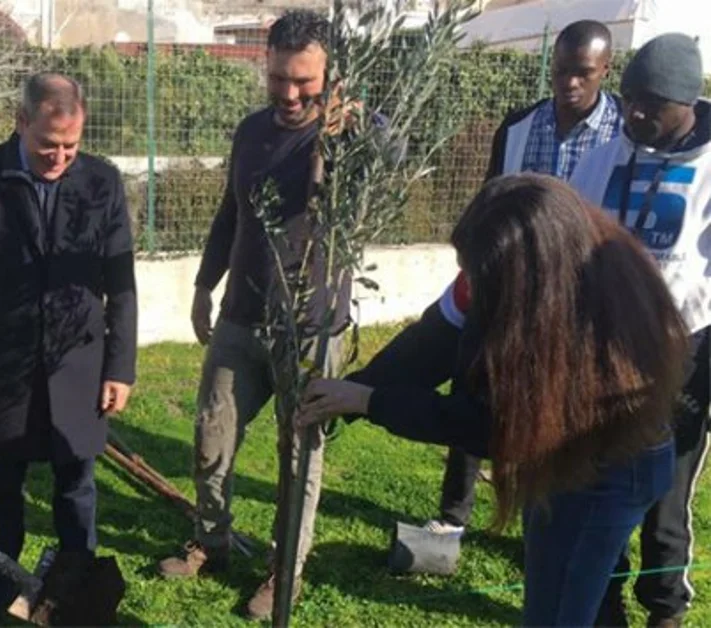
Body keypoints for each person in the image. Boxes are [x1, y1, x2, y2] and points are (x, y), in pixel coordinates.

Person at [298, 173, 688, 626]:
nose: (468, 281)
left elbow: (490, 427)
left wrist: (371, 402)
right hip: (562, 460)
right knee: (559, 597)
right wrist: (352, 391)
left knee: (563, 611)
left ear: (528, 278)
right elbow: (433, 341)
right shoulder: (492, 272)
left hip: (614, 467)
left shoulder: (586, 323)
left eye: (476, 272)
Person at [155, 9, 383, 620]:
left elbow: (396, 152)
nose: (288, 93)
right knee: (211, 435)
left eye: (304, 82)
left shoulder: (351, 133)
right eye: (278, 77)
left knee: (299, 453)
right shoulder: (251, 131)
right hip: (242, 313)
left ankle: (286, 569)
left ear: (331, 76)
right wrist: (206, 285)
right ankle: (212, 540)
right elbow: (232, 213)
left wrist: (356, 134)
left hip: (309, 327)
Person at [0, 71, 138, 626]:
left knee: (77, 482)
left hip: (80, 358)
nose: (59, 157)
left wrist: (119, 366)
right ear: (21, 122)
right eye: (48, 144)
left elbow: (121, 282)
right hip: (4, 359)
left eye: (71, 145)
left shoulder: (101, 181)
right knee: (4, 479)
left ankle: (76, 589)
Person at [427, 18, 624, 543]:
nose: (570, 84)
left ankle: (547, 517)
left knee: (560, 407)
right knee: (475, 386)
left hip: (580, 298)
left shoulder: (624, 134)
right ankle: (453, 513)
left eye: (583, 73)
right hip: (508, 291)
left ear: (606, 69)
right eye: (562, 71)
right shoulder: (518, 128)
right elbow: (493, 201)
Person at [567, 32, 711, 628]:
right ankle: (605, 602)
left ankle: (664, 610)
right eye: (629, 99)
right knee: (604, 485)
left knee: (665, 497)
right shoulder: (606, 154)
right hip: (604, 350)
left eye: (651, 103)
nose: (636, 113)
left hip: (685, 351)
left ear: (688, 103)